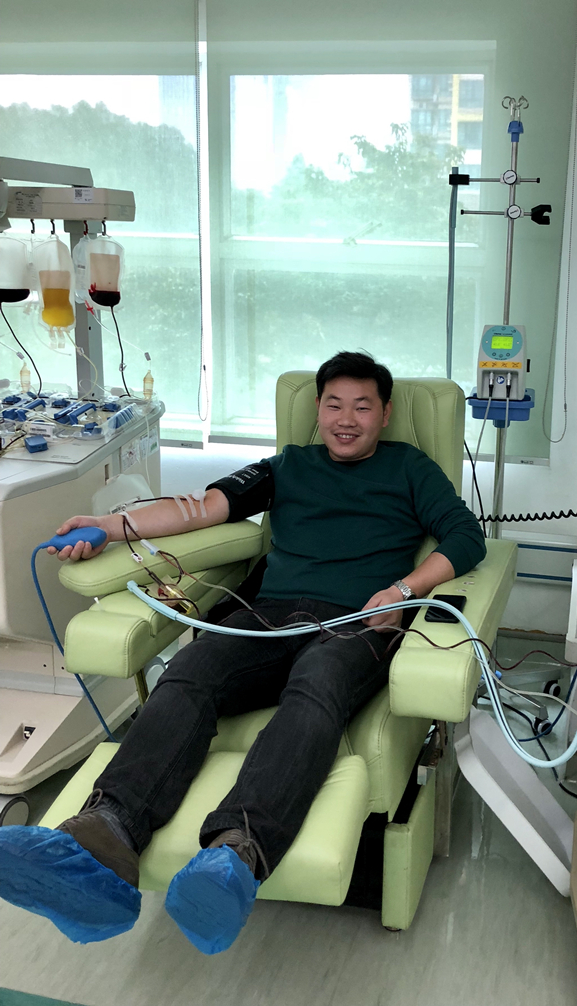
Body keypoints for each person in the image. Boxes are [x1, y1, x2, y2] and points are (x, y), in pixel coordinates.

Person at [0, 351, 485, 954]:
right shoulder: (288, 466)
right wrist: (110, 525)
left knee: (317, 687)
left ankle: (235, 854)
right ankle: (103, 833)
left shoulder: (410, 468)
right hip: (269, 614)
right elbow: (201, 507)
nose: (346, 419)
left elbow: (466, 536)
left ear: (384, 414)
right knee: (190, 671)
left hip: (358, 621)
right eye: (334, 404)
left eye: (362, 407)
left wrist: (403, 592)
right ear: (318, 409)